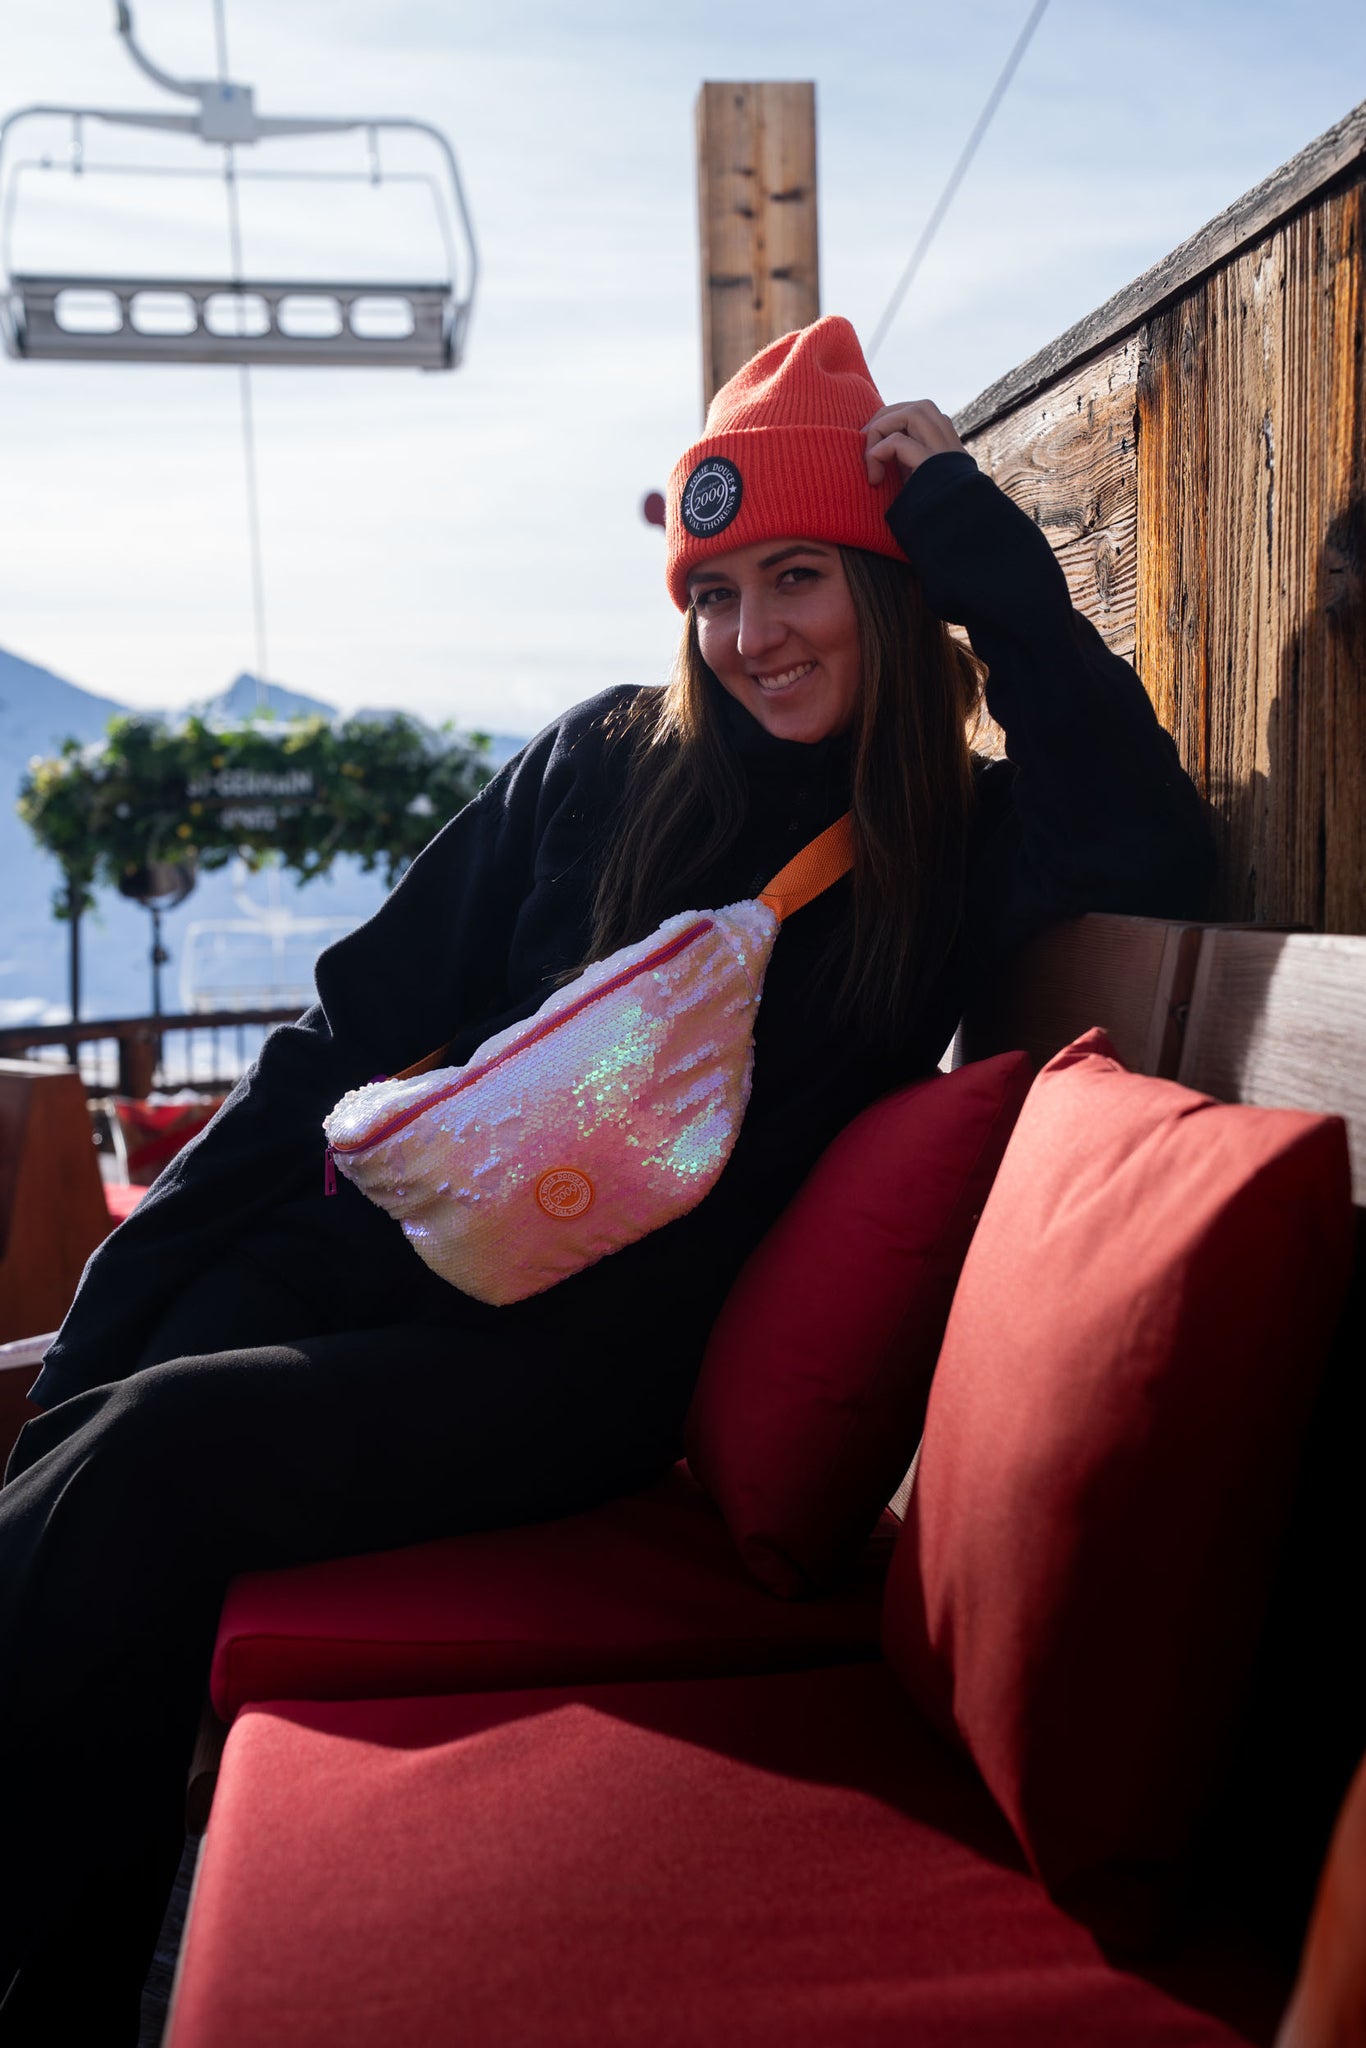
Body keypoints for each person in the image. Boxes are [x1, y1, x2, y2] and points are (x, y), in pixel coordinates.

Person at [0, 315, 1214, 2039]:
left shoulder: (955, 845)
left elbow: (1151, 843)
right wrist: (113, 1299)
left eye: (796, 578)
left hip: (571, 1376)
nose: (749, 635)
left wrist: (965, 530)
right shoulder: (602, 761)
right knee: (117, 1395)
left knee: (149, 1457)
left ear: (885, 588)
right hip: (367, 1264)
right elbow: (347, 1025)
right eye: (711, 594)